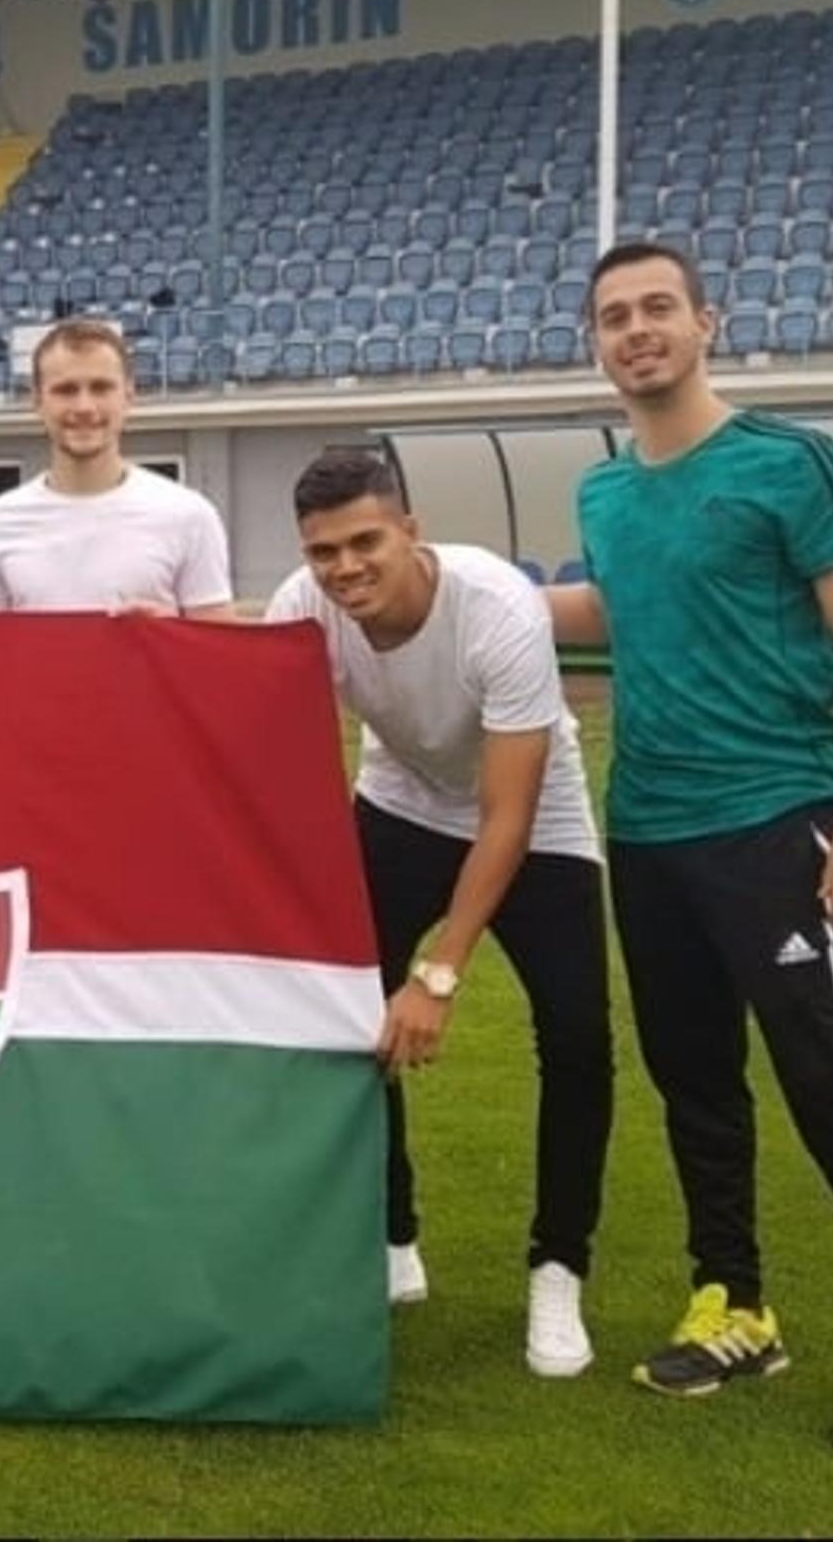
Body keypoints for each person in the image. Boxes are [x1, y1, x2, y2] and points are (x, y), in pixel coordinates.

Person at [553, 240, 833, 1463]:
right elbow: (616, 609)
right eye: (614, 316)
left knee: (832, 1077)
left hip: (780, 820)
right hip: (652, 830)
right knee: (696, 1085)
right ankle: (735, 1303)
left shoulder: (792, 464)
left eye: (657, 307)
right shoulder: (605, 494)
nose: (637, 330)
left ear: (706, 322)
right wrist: (423, 589)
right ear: (597, 344)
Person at [264, 447, 611, 1380]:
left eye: (365, 541)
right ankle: (389, 1236)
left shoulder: (497, 610)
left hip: (537, 822)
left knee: (577, 1039)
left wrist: (440, 973)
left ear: (411, 531)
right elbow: (247, 702)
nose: (345, 568)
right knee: (342, 1019)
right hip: (399, 805)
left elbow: (506, 815)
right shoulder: (305, 603)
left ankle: (558, 1268)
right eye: (324, 550)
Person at [0, 319, 235, 619]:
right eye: (66, 390)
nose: (84, 406)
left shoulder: (190, 516)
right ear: (38, 401)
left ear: (128, 397)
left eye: (101, 388)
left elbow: (219, 652)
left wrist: (169, 631)